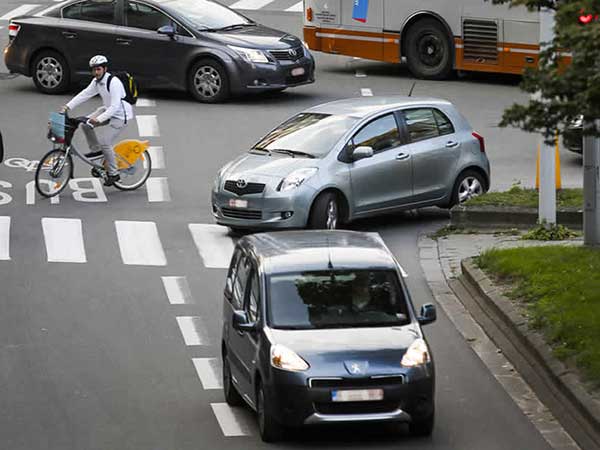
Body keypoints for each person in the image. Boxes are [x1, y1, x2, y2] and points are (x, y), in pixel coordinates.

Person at [60, 55, 134, 186]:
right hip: (107, 110)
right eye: (93, 70)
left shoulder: (114, 82)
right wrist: (67, 106)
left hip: (121, 115)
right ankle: (97, 153)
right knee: (85, 125)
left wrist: (98, 119)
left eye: (98, 69)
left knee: (105, 142)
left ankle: (114, 173)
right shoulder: (96, 82)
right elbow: (85, 94)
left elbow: (115, 106)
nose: (95, 72)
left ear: (105, 69)